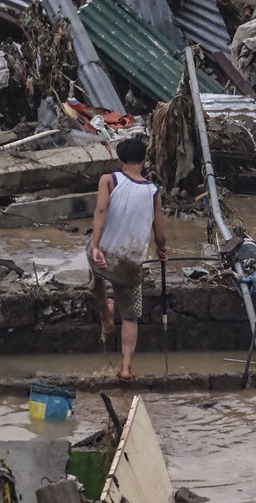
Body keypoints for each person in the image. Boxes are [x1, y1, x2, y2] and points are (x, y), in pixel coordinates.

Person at [88, 137, 168, 381]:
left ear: (120, 160)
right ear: (144, 161)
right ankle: (126, 368)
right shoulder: (153, 191)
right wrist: (162, 249)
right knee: (131, 316)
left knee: (97, 278)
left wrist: (95, 245)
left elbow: (101, 210)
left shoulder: (109, 180)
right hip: (131, 262)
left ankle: (105, 316)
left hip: (105, 254)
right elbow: (160, 231)